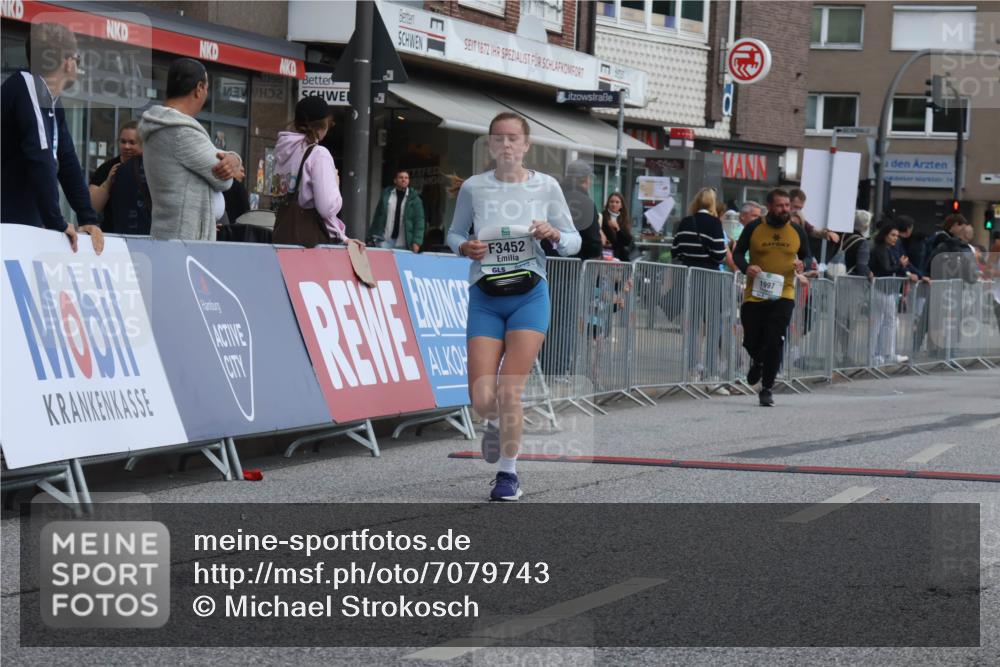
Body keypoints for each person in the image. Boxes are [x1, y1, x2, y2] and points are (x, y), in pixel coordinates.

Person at [447, 112, 581, 501]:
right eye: (499, 139)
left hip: (529, 294)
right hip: (486, 297)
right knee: (482, 397)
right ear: (490, 145)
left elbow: (573, 240)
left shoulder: (547, 186)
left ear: (526, 145)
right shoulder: (474, 188)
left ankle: (508, 475)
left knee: (509, 391)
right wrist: (464, 247)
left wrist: (554, 234)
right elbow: (454, 233)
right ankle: (495, 426)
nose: (506, 145)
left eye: (513, 139)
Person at [1, 22, 103, 253]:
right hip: (7, 227)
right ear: (67, 62)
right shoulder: (26, 87)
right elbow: (42, 158)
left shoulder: (52, 102)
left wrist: (88, 218)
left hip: (20, 227)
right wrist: (56, 220)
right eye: (78, 57)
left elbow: (67, 162)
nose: (78, 64)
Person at [139, 58, 243, 241]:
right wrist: (233, 160)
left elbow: (220, 161)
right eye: (207, 88)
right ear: (199, 88)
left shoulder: (162, 125)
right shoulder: (181, 131)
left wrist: (233, 159)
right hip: (186, 241)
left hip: (170, 233)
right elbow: (224, 181)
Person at [733, 188, 812, 406]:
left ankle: (767, 388)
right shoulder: (754, 227)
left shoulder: (796, 230)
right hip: (755, 293)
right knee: (751, 339)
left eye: (787, 205)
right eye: (780, 205)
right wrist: (746, 267)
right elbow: (738, 253)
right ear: (769, 206)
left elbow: (807, 254)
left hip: (784, 292)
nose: (785, 209)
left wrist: (802, 264)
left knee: (775, 339)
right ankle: (757, 361)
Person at [273, 96, 346, 242]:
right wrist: (335, 185)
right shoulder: (319, 154)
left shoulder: (282, 150)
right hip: (312, 242)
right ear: (325, 124)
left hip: (284, 234)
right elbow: (326, 209)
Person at [89, 120, 152, 235]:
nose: (127, 147)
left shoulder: (152, 169)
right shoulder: (107, 169)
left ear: (143, 144)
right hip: (112, 234)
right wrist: (108, 183)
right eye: (123, 142)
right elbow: (92, 207)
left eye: (132, 142)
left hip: (145, 234)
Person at [869, 224, 911, 366]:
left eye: (897, 236)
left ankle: (881, 354)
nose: (895, 238)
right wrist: (900, 265)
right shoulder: (881, 249)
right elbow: (886, 268)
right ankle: (882, 354)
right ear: (885, 235)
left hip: (886, 289)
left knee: (884, 321)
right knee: (886, 322)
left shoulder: (888, 249)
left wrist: (901, 266)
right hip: (882, 289)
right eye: (892, 235)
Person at [368, 169, 425, 251]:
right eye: (401, 177)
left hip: (403, 242)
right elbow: (377, 216)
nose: (404, 180)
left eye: (406, 178)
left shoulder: (415, 199)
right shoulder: (386, 195)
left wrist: (417, 242)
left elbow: (419, 221)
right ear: (395, 180)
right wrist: (371, 235)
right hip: (385, 240)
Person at [670, 187, 727, 269]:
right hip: (708, 274)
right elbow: (719, 255)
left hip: (687, 272)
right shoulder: (715, 223)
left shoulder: (685, 221)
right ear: (713, 203)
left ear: (696, 202)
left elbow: (675, 251)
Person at [559, 160, 602, 260]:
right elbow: (593, 243)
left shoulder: (553, 197)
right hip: (576, 264)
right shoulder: (586, 203)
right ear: (586, 179)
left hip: (547, 263)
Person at [600, 192, 633, 262]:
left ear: (621, 205)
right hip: (606, 254)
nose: (614, 204)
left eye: (617, 202)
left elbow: (627, 241)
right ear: (608, 203)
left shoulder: (624, 218)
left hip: (621, 257)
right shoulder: (602, 216)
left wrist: (618, 228)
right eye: (611, 202)